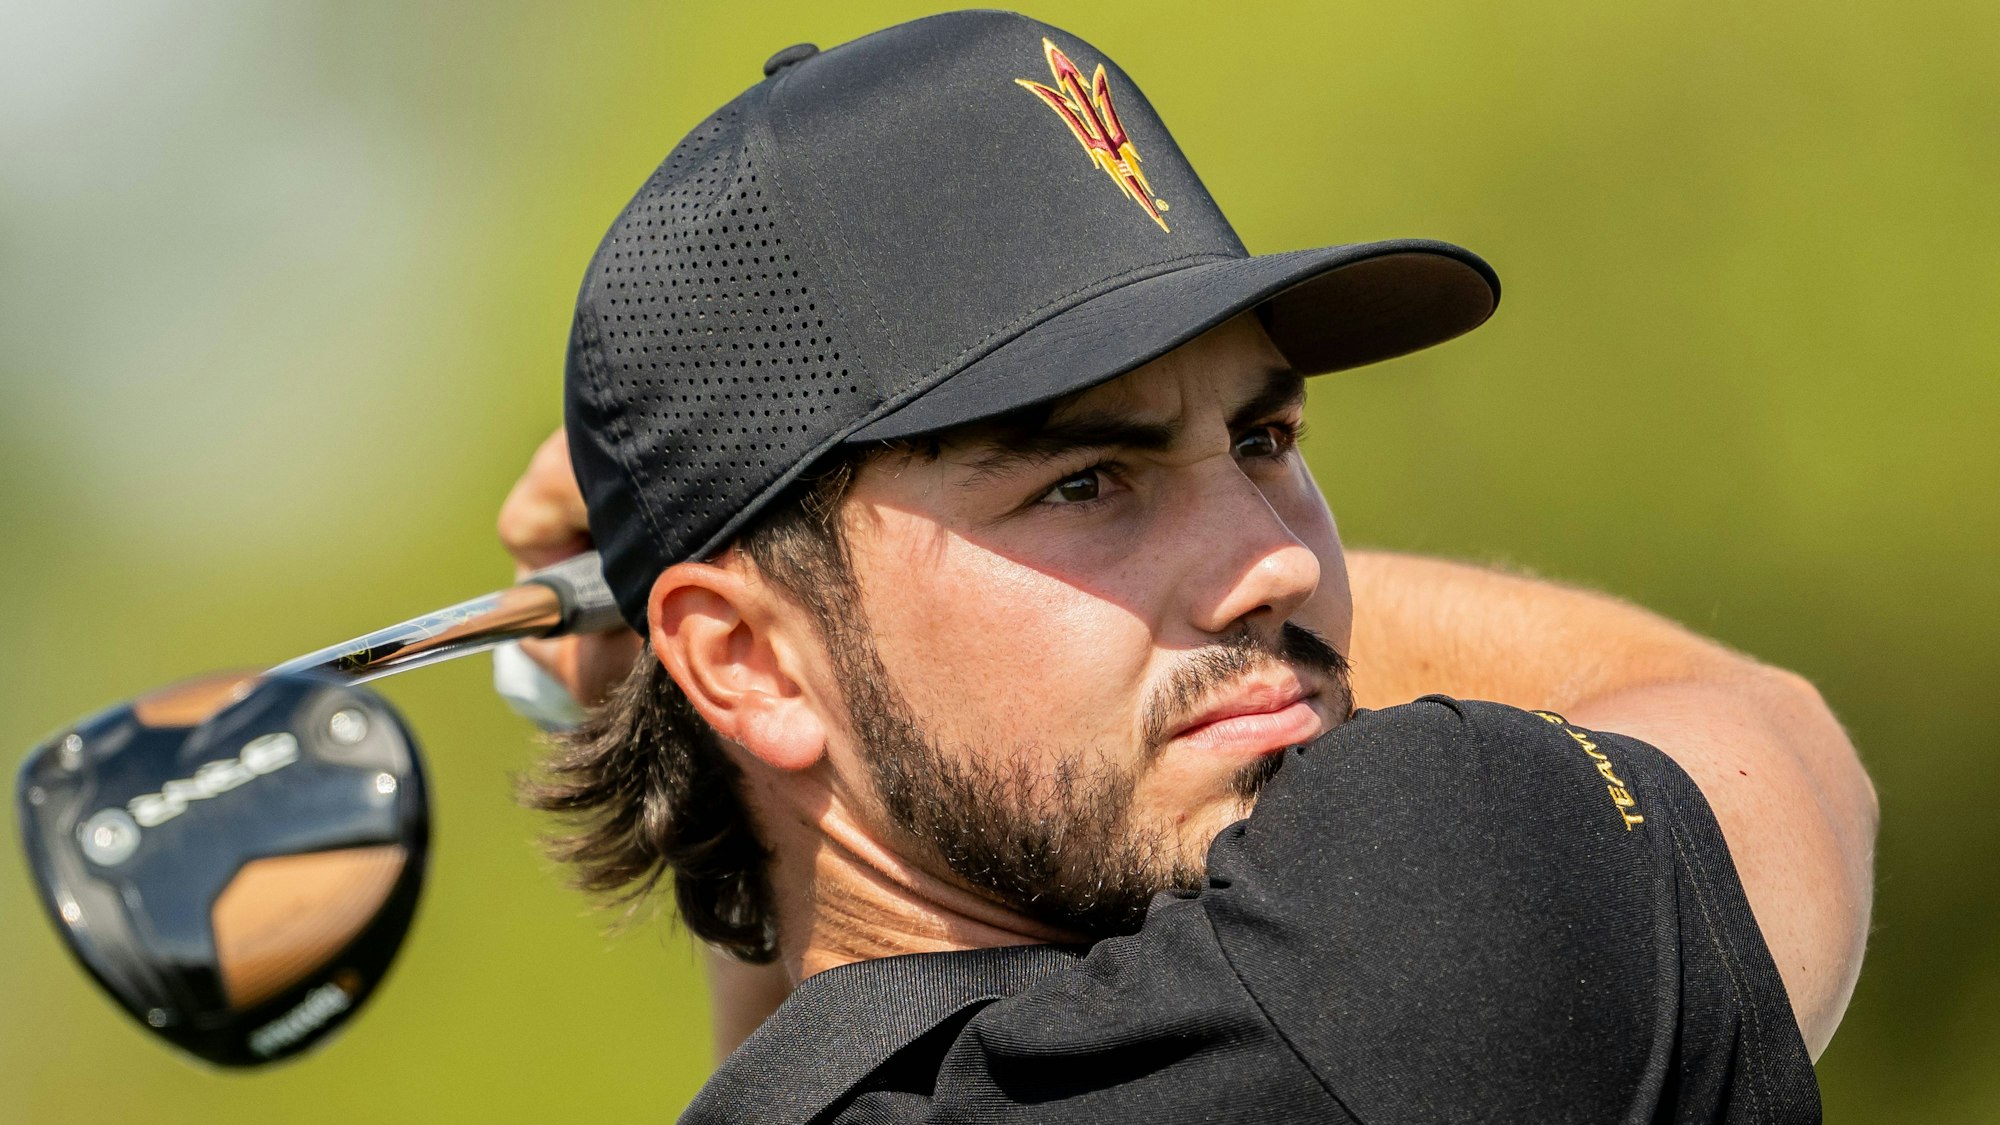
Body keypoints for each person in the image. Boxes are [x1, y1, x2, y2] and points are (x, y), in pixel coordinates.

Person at [495, 11, 1876, 1122]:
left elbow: (827, 993)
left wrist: (739, 690)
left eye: (1265, 435)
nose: (1276, 559)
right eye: (1087, 481)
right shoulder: (1415, 934)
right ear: (749, 661)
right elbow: (1765, 732)